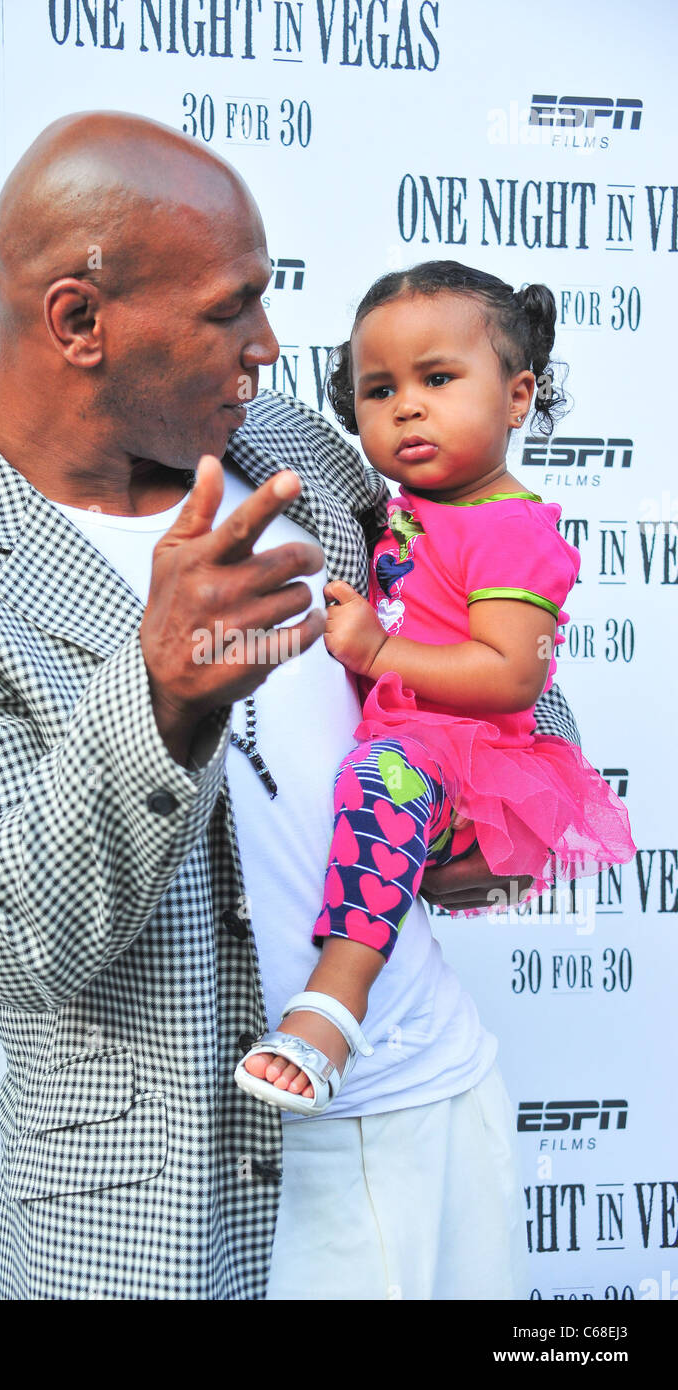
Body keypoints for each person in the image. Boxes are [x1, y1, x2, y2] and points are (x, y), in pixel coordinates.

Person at [0, 116, 581, 1301]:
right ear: (79, 322)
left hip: (434, 1104)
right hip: (172, 1219)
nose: (270, 349)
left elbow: (474, 613)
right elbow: (5, 936)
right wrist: (161, 698)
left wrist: (503, 803)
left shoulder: (280, 442)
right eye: (232, 311)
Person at [235, 262, 635, 1118]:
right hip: (419, 738)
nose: (407, 406)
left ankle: (332, 1008)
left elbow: (515, 672)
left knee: (381, 786)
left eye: (439, 379)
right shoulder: (405, 503)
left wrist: (378, 650)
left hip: (465, 751)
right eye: (379, 390)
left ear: (518, 396)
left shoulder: (509, 529)